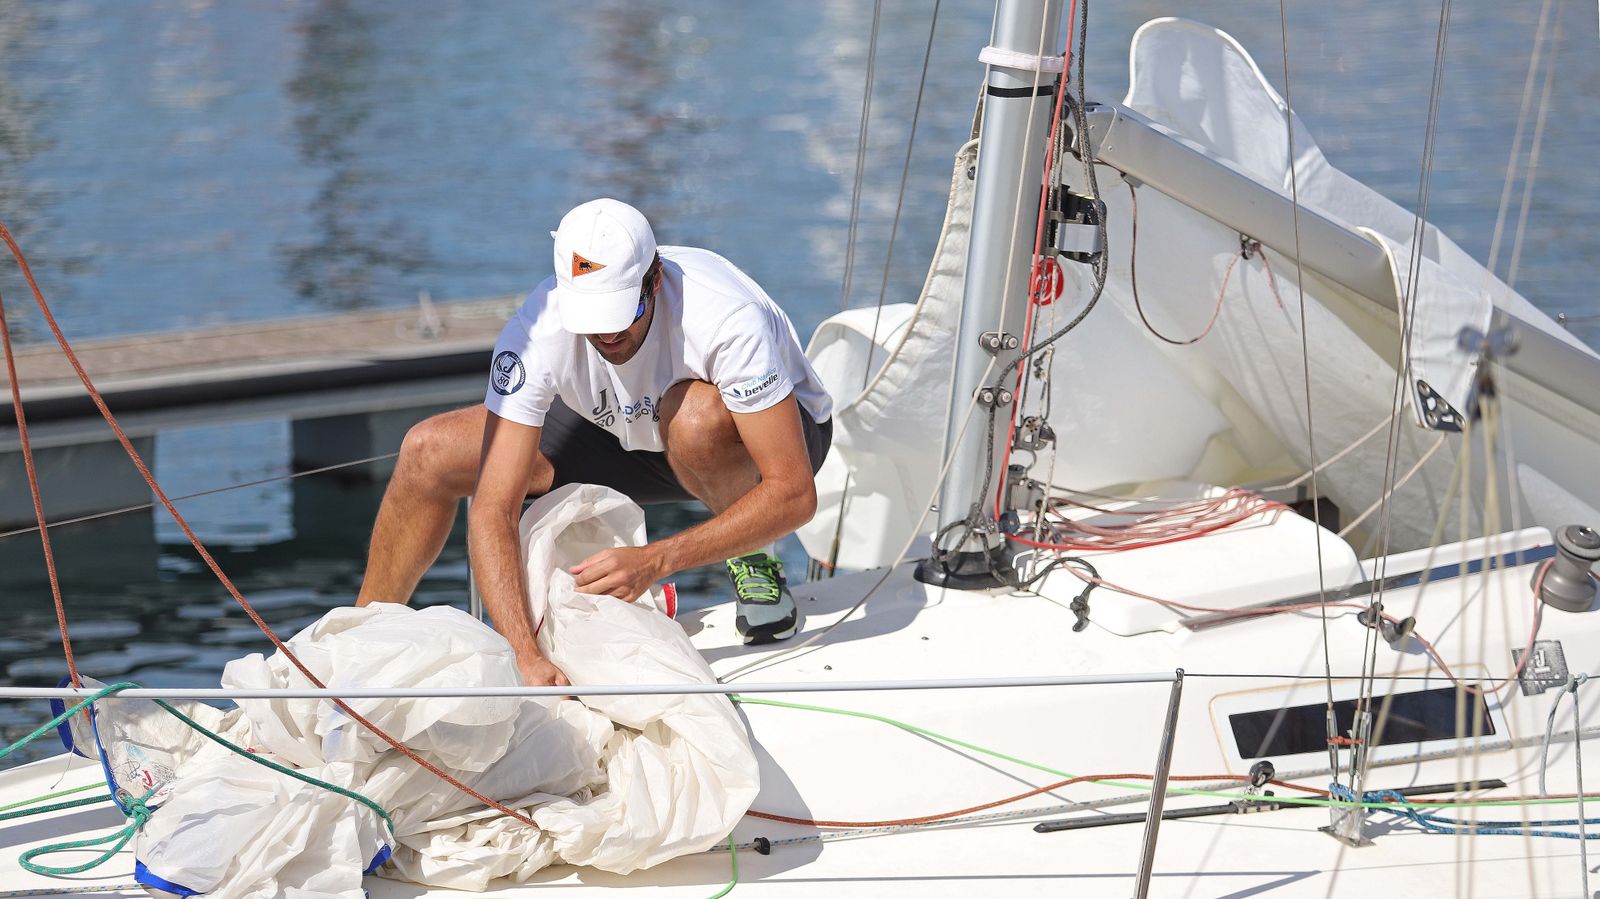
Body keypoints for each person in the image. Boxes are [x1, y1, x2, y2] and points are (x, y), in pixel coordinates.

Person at [356, 198, 833, 686]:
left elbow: (794, 493)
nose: (606, 333)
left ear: (656, 279)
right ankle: (359, 641)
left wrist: (655, 561)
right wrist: (526, 657)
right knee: (427, 450)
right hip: (620, 431)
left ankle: (753, 556)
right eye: (591, 316)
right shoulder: (535, 328)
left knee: (694, 419)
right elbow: (493, 507)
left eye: (620, 313)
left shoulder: (727, 317)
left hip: (761, 442)